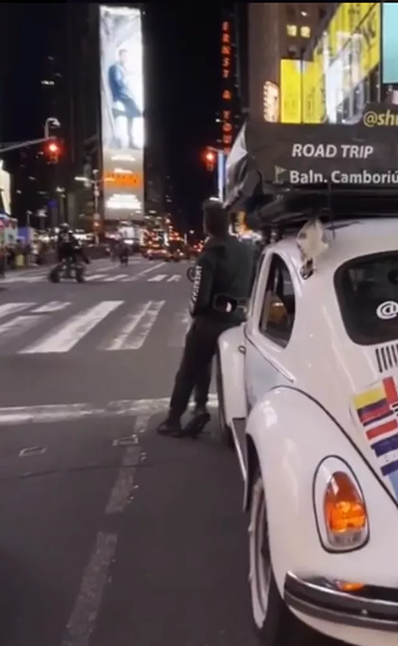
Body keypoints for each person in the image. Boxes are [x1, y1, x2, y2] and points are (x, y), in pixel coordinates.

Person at [157, 201, 256, 437]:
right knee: (218, 368)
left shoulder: (209, 257)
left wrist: (194, 311)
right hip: (238, 321)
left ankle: (174, 418)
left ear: (207, 225)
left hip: (210, 321)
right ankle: (202, 408)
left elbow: (199, 299)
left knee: (189, 370)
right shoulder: (245, 251)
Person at [107, 48, 142, 149]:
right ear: (120, 56)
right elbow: (119, 82)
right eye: (124, 56)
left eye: (126, 56)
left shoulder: (122, 68)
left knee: (133, 114)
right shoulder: (116, 67)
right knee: (135, 112)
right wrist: (127, 91)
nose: (126, 58)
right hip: (122, 95)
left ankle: (131, 140)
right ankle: (129, 140)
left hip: (125, 95)